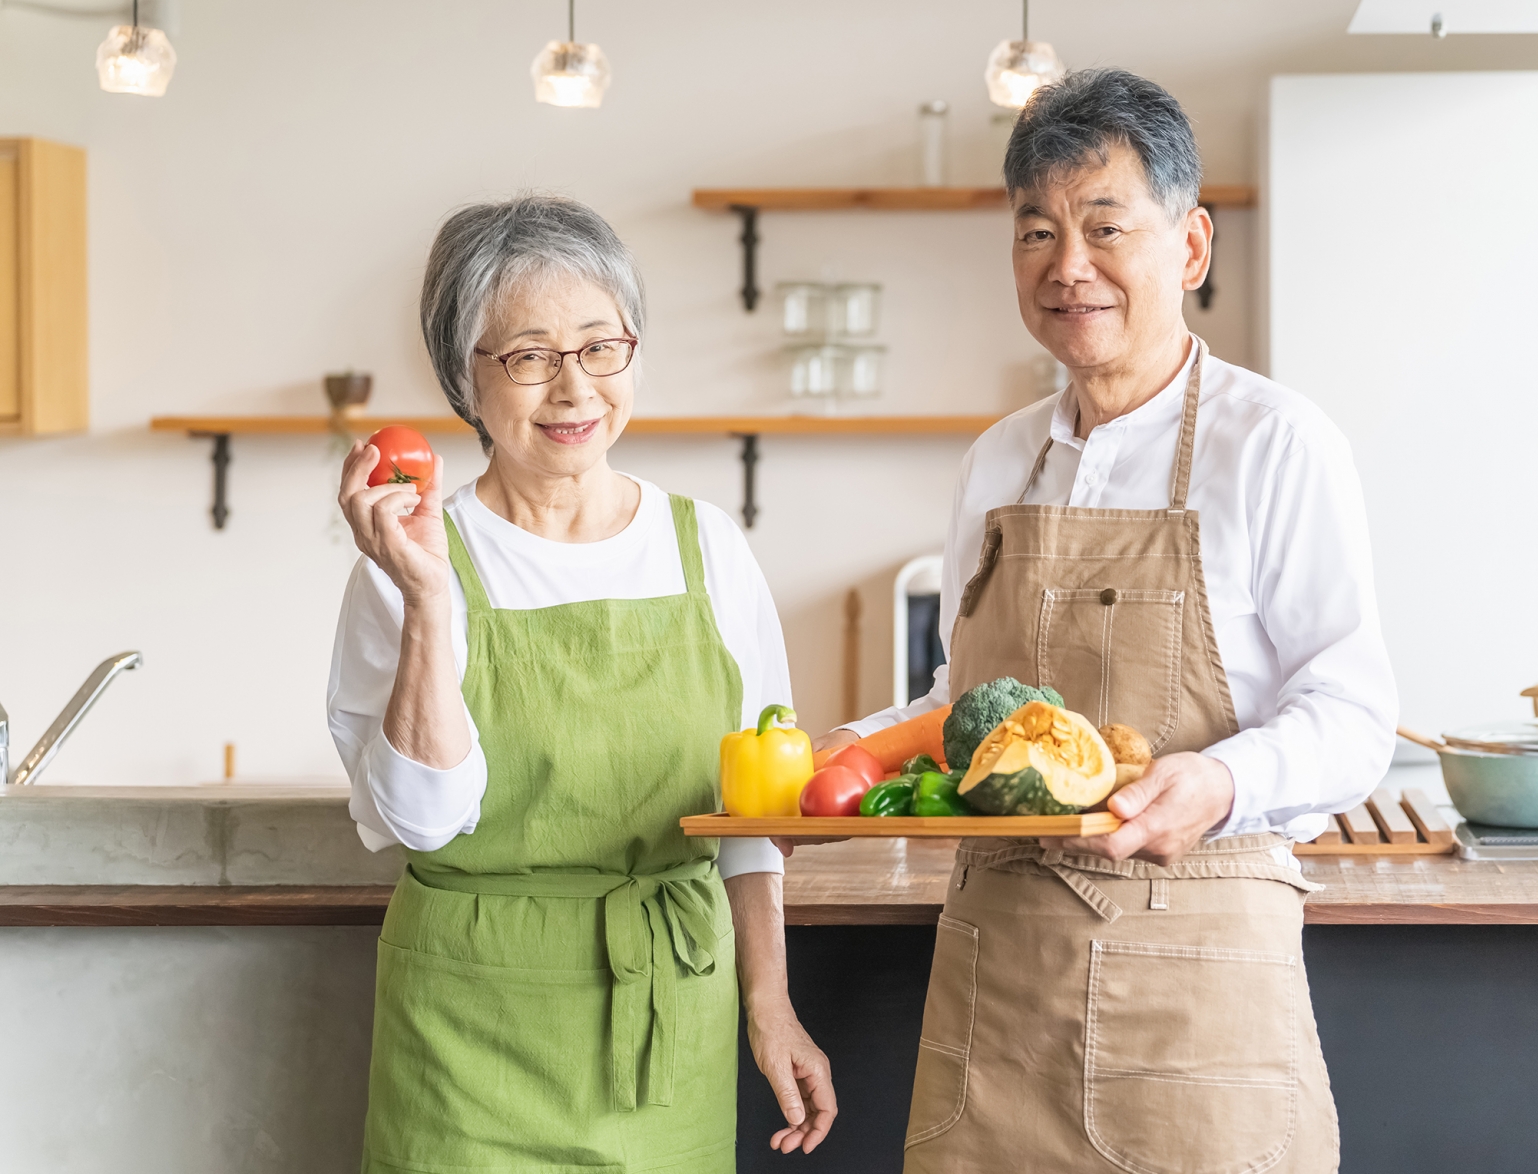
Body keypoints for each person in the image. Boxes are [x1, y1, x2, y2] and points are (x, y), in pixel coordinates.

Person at [817, 70, 1397, 1172]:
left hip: (1197, 987)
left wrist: (1221, 782)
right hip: (999, 998)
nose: (1065, 265)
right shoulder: (998, 459)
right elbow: (969, 706)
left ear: (1189, 247)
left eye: (1103, 226)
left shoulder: (1276, 443)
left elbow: (1356, 712)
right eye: (1036, 231)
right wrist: (857, 747)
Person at [326, 195, 835, 1172]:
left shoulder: (709, 550)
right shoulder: (406, 562)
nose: (575, 387)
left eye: (602, 346)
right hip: (467, 1038)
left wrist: (769, 1002)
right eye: (529, 354)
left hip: (667, 1025)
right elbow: (425, 818)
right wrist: (431, 599)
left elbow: (751, 816)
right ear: (463, 375)